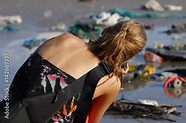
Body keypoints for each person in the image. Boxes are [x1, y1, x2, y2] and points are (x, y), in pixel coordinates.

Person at [6, 20, 147, 123]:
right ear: (129, 57)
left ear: (105, 30)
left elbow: (30, 72)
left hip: (9, 112)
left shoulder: (65, 39)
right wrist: (118, 74)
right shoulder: (111, 81)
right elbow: (92, 121)